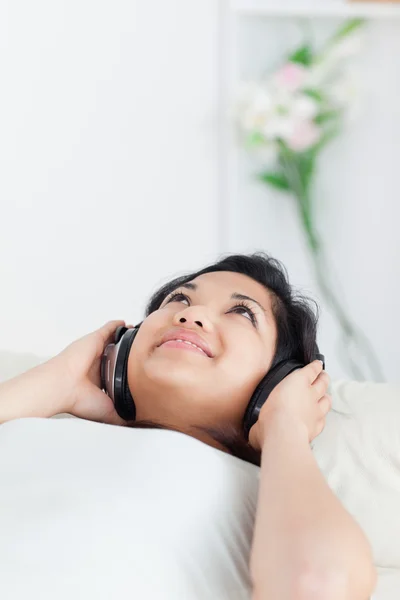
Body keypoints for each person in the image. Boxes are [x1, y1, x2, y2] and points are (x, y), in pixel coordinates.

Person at [0, 252, 377, 599]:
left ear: (276, 382)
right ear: (124, 346)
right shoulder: (38, 416)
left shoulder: (263, 494)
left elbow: (319, 583)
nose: (190, 315)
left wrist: (286, 426)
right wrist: (55, 380)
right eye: (180, 299)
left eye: (242, 313)